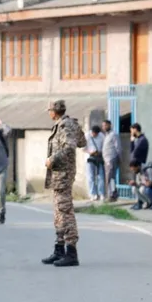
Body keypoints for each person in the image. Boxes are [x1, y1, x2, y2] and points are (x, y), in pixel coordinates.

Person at [42, 100, 87, 267]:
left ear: (54, 111)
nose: (48, 113)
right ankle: (59, 249)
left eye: (49, 110)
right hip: (58, 175)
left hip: (63, 174)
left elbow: (70, 146)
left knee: (65, 213)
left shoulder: (66, 126)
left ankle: (71, 252)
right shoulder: (65, 124)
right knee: (58, 213)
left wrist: (52, 159)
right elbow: (82, 142)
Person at [129, 123, 149, 209]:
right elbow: (132, 152)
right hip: (136, 164)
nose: (131, 132)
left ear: (135, 129)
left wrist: (133, 141)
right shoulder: (138, 140)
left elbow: (134, 153)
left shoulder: (142, 140)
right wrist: (132, 141)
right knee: (135, 185)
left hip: (139, 165)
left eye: (131, 130)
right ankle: (139, 202)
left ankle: (144, 202)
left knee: (140, 185)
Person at [101, 120, 121, 201]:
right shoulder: (106, 135)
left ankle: (112, 195)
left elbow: (118, 147)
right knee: (110, 178)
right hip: (107, 160)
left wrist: (119, 158)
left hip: (112, 159)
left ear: (109, 125)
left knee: (110, 178)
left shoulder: (114, 135)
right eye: (103, 126)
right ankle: (113, 194)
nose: (104, 127)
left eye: (105, 125)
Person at [85, 125, 104, 201]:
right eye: (93, 133)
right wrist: (90, 152)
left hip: (99, 157)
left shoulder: (101, 136)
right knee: (90, 177)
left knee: (101, 176)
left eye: (96, 134)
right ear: (91, 131)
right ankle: (93, 194)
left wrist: (99, 152)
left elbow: (104, 146)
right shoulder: (86, 136)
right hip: (89, 158)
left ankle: (101, 193)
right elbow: (82, 148)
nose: (94, 135)